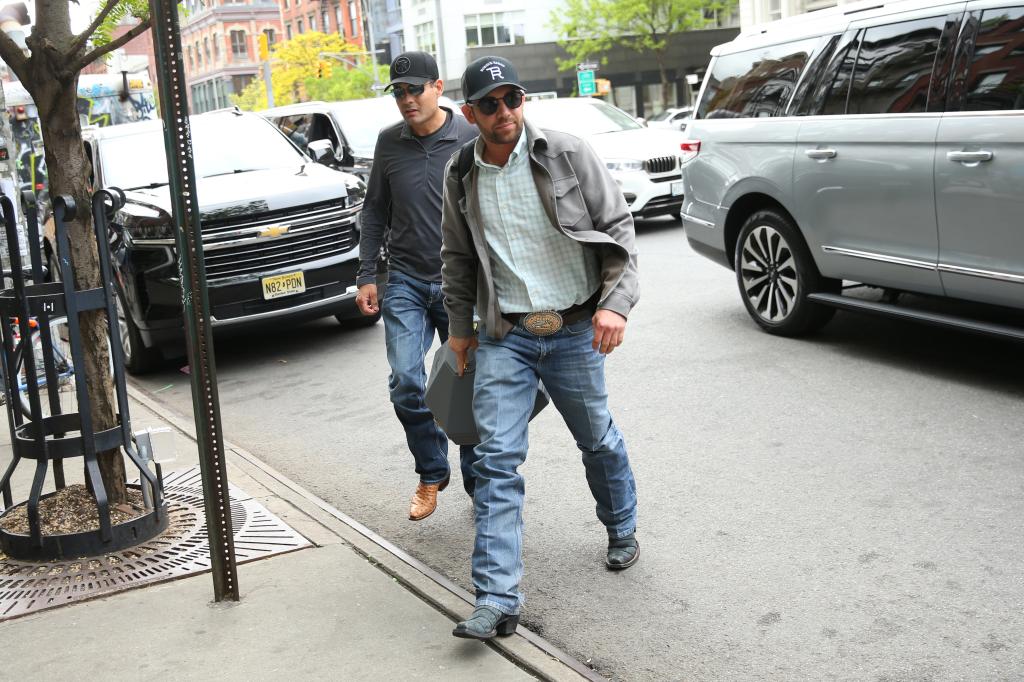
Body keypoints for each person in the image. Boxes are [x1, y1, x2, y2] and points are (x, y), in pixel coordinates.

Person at [440, 56, 641, 641]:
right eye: (490, 104)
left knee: (597, 439)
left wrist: (614, 304)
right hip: (509, 334)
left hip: (577, 324)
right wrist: (459, 328)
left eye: (513, 98)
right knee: (495, 458)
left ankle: (621, 525)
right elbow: (455, 259)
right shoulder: (460, 173)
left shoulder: (566, 152)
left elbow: (619, 229)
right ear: (469, 112)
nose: (504, 112)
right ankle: (497, 597)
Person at [356, 51, 479, 521]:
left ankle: (477, 480)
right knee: (406, 381)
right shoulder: (389, 143)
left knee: (466, 386)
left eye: (415, 89)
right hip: (406, 279)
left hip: (458, 284)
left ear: (438, 87)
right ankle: (432, 470)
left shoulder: (469, 136)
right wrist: (367, 274)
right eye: (399, 92)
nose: (406, 99)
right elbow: (373, 211)